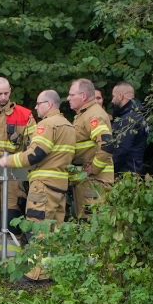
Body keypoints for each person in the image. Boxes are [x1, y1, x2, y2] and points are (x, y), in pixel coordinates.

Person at [0, 90, 75, 226]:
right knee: (55, 235)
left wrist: (7, 161)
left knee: (37, 231)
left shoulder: (47, 124)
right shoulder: (69, 126)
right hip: (61, 188)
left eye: (39, 104)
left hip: (43, 188)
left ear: (49, 104)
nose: (35, 107)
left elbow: (35, 154)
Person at [0, 77, 36, 237]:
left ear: (10, 92)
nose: (3, 97)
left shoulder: (25, 115)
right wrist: (2, 155)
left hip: (14, 178)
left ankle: (12, 258)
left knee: (12, 217)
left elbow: (34, 146)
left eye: (6, 93)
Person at [67, 78, 114, 219]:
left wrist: (94, 168)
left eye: (71, 95)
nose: (68, 98)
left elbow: (107, 143)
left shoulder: (93, 115)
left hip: (95, 182)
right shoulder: (84, 114)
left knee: (92, 223)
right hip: (88, 183)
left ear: (83, 96)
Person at [108, 82, 148, 175]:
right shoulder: (137, 115)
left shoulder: (129, 119)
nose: (112, 101)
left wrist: (107, 169)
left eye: (113, 96)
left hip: (125, 174)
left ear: (121, 96)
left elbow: (121, 149)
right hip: (132, 171)